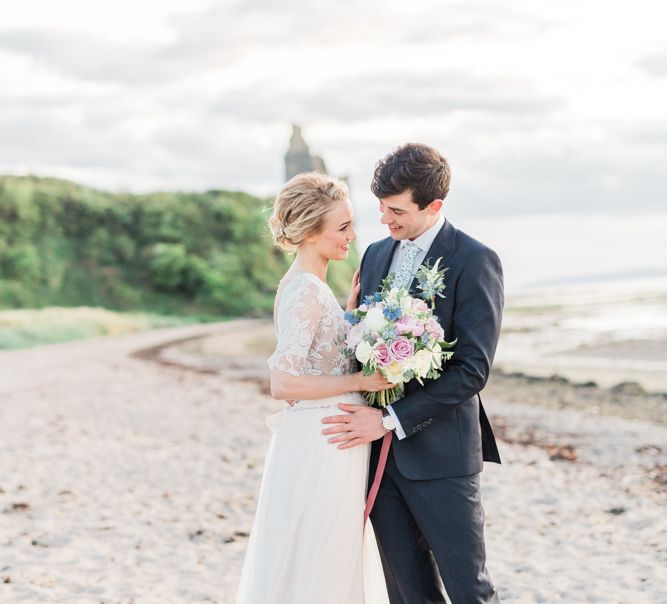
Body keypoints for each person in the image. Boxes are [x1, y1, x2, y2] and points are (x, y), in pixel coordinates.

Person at [322, 143, 504, 603]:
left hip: (442, 456)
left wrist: (388, 419)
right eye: (381, 208)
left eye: (397, 210)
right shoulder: (376, 255)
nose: (385, 220)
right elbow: (357, 341)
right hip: (379, 462)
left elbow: (472, 370)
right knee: (407, 592)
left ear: (434, 205)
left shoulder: (474, 260)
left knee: (468, 589)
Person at [235, 172, 390, 603]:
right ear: (308, 231)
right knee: (319, 558)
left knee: (324, 556)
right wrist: (360, 380)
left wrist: (350, 314)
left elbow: (318, 352)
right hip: (323, 442)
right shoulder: (304, 289)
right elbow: (282, 382)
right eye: (342, 227)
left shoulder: (310, 286)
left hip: (330, 435)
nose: (352, 236)